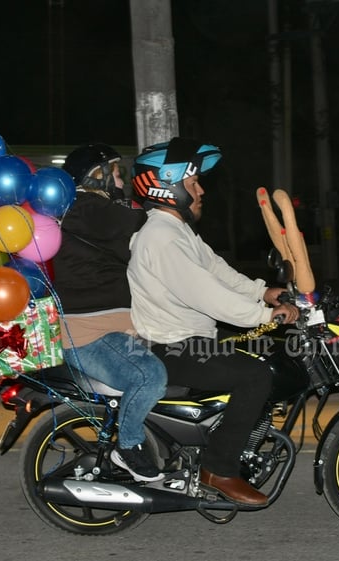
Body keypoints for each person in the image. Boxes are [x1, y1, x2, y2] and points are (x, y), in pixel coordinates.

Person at [126, 137, 299, 506]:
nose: (201, 190)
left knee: (264, 350)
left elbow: (215, 269)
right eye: (193, 183)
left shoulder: (176, 231)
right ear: (167, 185)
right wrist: (266, 315)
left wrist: (262, 292)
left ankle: (222, 434)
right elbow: (206, 294)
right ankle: (219, 469)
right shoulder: (160, 237)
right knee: (255, 375)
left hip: (188, 337)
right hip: (170, 347)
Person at [52, 142, 167, 482]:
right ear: (97, 177)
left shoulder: (89, 214)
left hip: (113, 328)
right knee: (149, 376)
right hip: (90, 334)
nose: (121, 181)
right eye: (116, 173)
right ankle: (128, 447)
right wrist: (169, 201)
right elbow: (144, 222)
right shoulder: (87, 207)